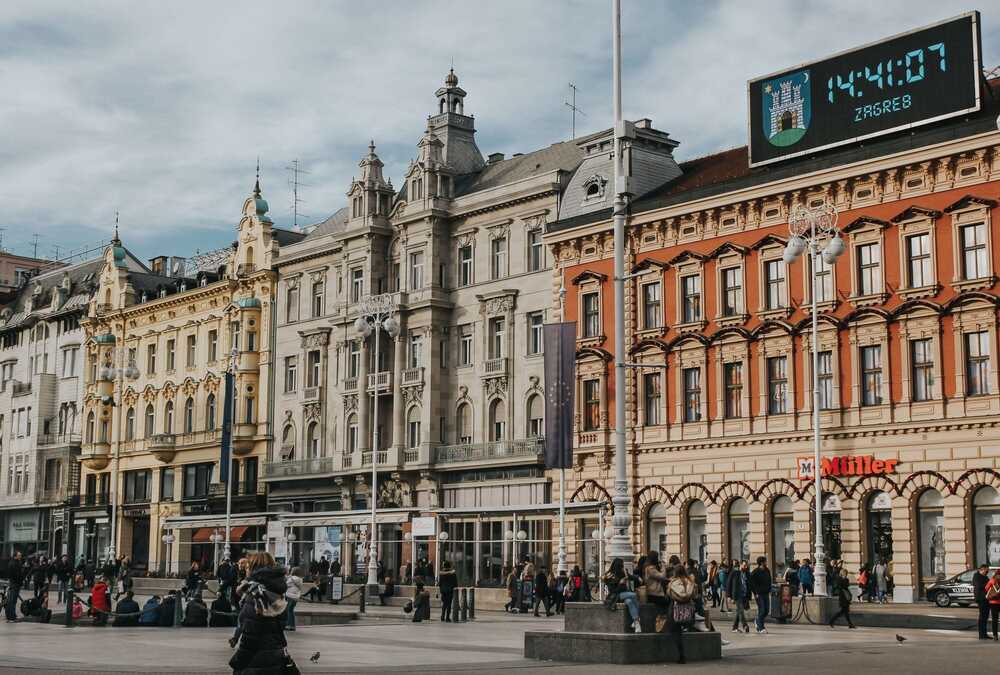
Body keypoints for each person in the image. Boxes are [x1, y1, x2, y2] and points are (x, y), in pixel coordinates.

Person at [229, 552, 290, 674]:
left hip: (256, 662)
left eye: (247, 567)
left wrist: (237, 662)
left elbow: (250, 638)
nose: (246, 570)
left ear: (253, 568)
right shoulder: (277, 593)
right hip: (275, 657)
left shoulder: (256, 596)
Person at [667, 564, 697, 664]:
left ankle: (681, 655)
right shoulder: (690, 581)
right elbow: (694, 595)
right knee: (681, 629)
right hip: (688, 609)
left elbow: (678, 594)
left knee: (675, 631)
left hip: (676, 609)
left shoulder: (674, 582)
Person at [604, 558, 642, 633]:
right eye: (621, 565)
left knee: (629, 602)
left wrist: (638, 577)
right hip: (615, 596)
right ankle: (637, 620)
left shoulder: (622, 572)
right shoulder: (610, 576)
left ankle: (636, 622)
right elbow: (613, 591)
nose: (622, 567)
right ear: (617, 566)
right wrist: (620, 583)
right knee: (633, 595)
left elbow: (631, 576)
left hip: (624, 595)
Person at [748, 556, 772, 634]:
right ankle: (760, 627)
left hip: (766, 593)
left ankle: (757, 620)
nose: (766, 562)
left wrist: (769, 589)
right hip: (759, 594)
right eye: (765, 561)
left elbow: (769, 580)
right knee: (762, 610)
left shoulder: (767, 570)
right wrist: (755, 593)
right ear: (762, 562)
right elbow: (751, 583)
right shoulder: (755, 572)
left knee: (766, 611)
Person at [727, 560, 751, 633]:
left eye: (746, 566)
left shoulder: (747, 573)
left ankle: (734, 627)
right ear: (740, 565)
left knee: (739, 611)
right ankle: (745, 625)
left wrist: (750, 595)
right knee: (741, 610)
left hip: (744, 594)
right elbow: (729, 584)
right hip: (737, 595)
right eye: (744, 565)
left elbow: (749, 584)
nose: (745, 567)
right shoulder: (734, 572)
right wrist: (729, 596)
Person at [974, 563, 992, 640]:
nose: (987, 571)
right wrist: (988, 584)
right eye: (986, 570)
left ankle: (984, 634)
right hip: (982, 599)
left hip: (986, 599)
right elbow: (981, 586)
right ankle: (982, 635)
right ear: (983, 569)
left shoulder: (984, 576)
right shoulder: (977, 577)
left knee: (985, 617)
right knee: (982, 617)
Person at [5, 551, 24, 622]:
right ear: (15, 556)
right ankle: (12, 617)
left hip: (13, 583)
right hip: (15, 584)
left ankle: (11, 616)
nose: (20, 556)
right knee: (12, 601)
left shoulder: (12, 562)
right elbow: (17, 575)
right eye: (19, 555)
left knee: (11, 600)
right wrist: (20, 581)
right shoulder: (15, 564)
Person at [285, 566, 303, 631]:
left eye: (291, 570)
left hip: (290, 595)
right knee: (291, 610)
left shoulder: (292, 578)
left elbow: (286, 584)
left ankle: (289, 625)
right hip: (295, 597)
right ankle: (292, 625)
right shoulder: (300, 579)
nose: (290, 570)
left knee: (288, 610)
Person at [987, 568, 1000, 641]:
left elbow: (986, 588)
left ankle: (995, 636)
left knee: (995, 620)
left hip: (993, 602)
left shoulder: (992, 580)